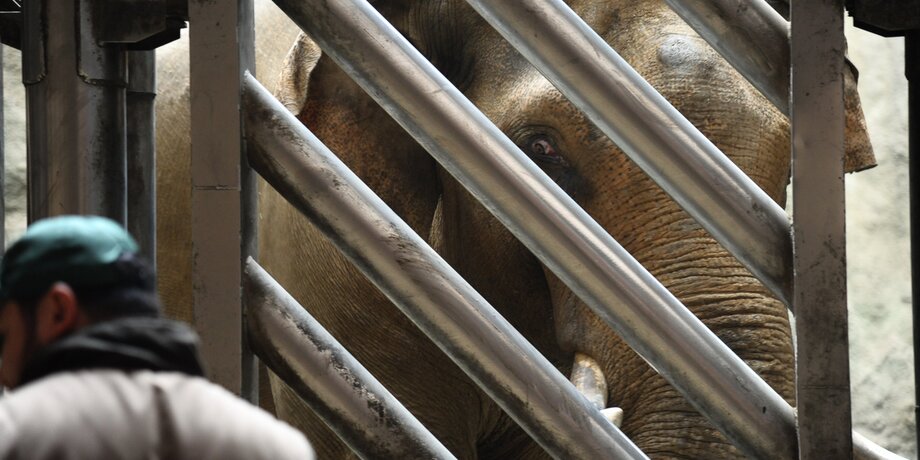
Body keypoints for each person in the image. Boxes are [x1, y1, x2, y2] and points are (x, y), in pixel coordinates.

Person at [0, 215, 314, 459]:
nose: (2, 373)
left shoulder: (11, 434)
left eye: (4, 337)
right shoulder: (276, 447)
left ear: (57, 311)